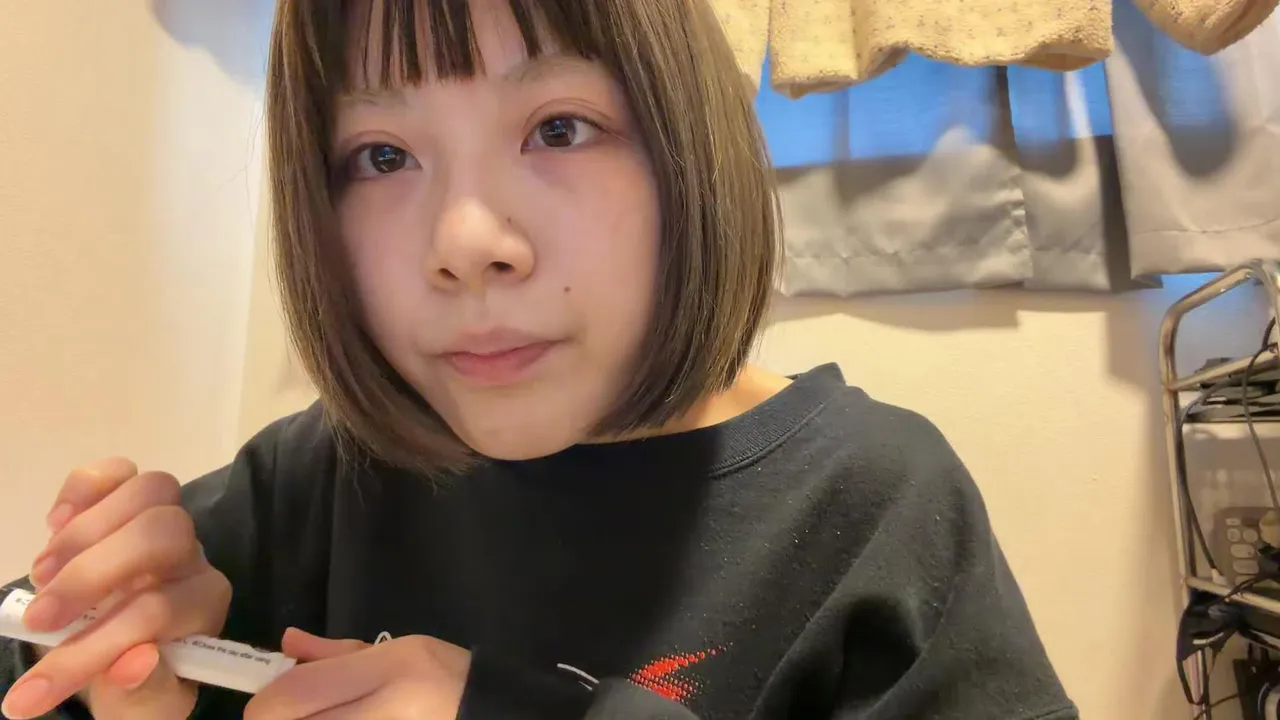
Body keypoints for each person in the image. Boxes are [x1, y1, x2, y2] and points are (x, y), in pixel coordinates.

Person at [0, 0, 1078, 718]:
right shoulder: (315, 479)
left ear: (687, 149)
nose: (466, 242)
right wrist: (119, 669)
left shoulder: (873, 502)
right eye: (383, 155)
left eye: (558, 129)